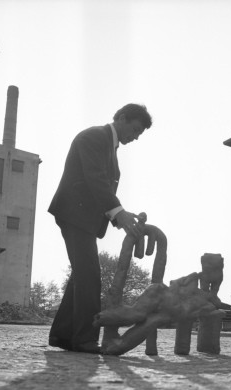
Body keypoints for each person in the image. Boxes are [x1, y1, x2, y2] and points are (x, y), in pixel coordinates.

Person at [48, 104, 152, 354]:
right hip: (75, 214)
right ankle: (84, 338)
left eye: (140, 134)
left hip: (82, 217)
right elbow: (95, 179)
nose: (135, 137)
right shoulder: (95, 137)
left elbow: (99, 183)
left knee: (81, 275)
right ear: (122, 118)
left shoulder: (108, 145)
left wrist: (121, 217)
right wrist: (119, 213)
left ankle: (63, 335)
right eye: (135, 129)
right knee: (90, 275)